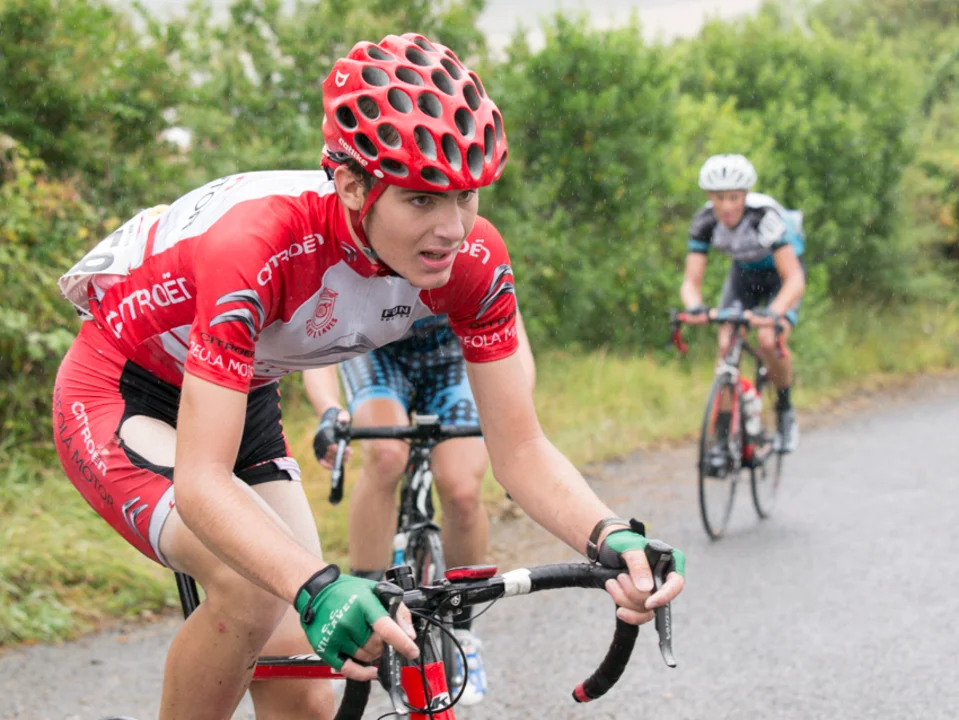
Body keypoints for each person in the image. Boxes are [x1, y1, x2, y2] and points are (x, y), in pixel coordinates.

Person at [53, 33, 684, 720]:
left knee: (305, 693)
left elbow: (521, 449)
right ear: (353, 185)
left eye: (465, 196)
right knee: (254, 586)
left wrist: (608, 534)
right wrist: (319, 584)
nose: (452, 228)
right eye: (420, 200)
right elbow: (203, 481)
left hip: (242, 395)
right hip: (122, 392)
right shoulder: (258, 244)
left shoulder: (472, 260)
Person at [303, 306, 535, 706]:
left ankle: (463, 633)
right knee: (385, 456)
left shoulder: (471, 264)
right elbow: (321, 336)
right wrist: (329, 410)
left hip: (454, 357)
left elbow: (512, 338)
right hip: (377, 352)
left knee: (462, 492)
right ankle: (361, 618)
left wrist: (516, 412)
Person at [680, 154, 806, 453]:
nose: (726, 206)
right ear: (709, 196)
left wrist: (774, 313)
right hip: (744, 275)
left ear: (746, 195)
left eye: (733, 197)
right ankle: (723, 439)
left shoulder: (763, 217)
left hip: (781, 276)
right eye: (718, 198)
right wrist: (695, 307)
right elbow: (691, 282)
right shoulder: (705, 221)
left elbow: (794, 279)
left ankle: (785, 412)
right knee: (726, 346)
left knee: (768, 339)